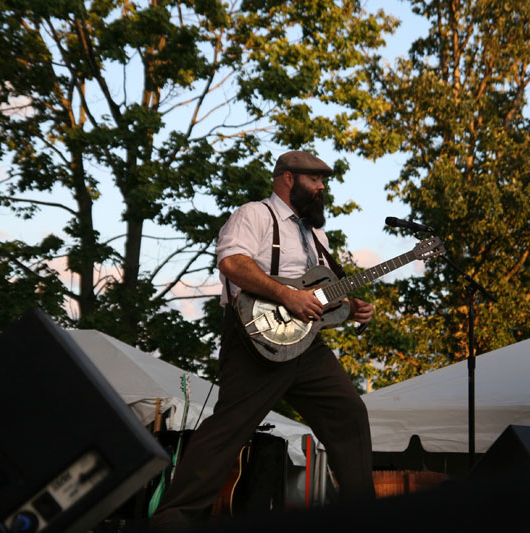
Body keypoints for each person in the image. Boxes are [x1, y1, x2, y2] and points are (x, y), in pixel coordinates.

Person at [151, 150, 376, 529]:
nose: (321, 188)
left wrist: (349, 307)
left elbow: (316, 292)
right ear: (288, 178)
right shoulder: (254, 214)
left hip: (308, 347)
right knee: (229, 429)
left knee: (349, 414)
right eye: (314, 180)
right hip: (256, 340)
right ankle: (172, 520)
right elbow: (232, 264)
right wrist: (287, 296)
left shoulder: (315, 233)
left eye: (323, 181)